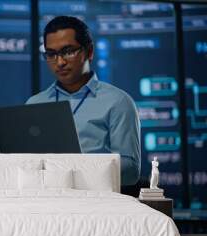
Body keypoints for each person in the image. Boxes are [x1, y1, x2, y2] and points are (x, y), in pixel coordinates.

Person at [26, 16, 140, 186]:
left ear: (89, 52)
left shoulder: (118, 102)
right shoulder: (34, 104)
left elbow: (131, 171)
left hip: (97, 202)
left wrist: (76, 170)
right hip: (43, 200)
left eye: (68, 51)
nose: (60, 62)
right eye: (51, 54)